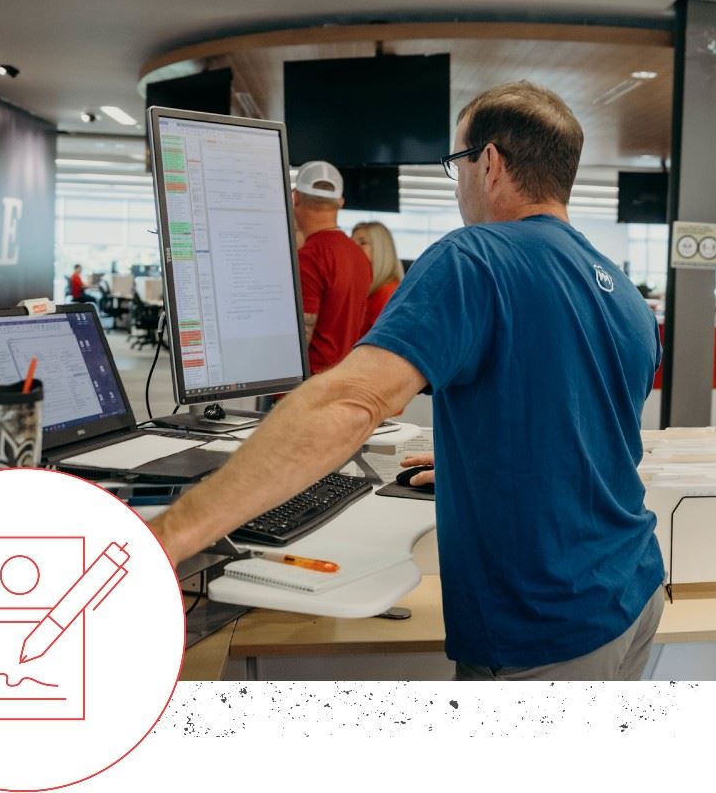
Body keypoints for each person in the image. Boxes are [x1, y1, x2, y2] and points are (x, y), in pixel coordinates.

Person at [147, 81, 664, 680]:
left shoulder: (475, 257)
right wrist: (483, 464)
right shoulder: (622, 291)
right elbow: (591, 429)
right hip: (635, 587)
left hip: (547, 625)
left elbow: (352, 399)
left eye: (457, 163)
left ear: (489, 163)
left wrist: (169, 535)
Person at [292, 161, 373, 374]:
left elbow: (299, 342)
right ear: (340, 202)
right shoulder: (359, 257)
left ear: (295, 197)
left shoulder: (309, 258)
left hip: (307, 390)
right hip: (339, 381)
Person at [351, 220, 404, 335]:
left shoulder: (387, 294)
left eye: (363, 243)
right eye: (352, 243)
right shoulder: (371, 291)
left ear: (381, 250)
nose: (353, 249)